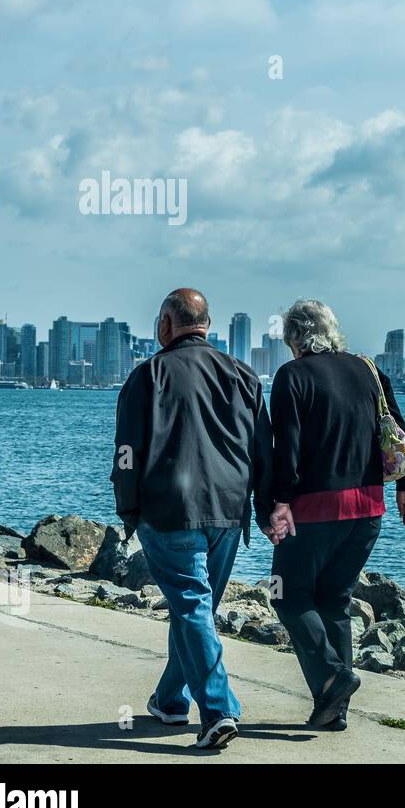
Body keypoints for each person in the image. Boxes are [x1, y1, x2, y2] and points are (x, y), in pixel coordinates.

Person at [111, 288, 277, 749]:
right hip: (228, 511)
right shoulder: (244, 375)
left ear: (167, 322)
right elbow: (263, 452)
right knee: (195, 609)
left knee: (191, 607)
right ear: (207, 324)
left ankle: (219, 711)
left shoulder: (148, 376)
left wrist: (128, 510)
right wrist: (265, 510)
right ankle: (169, 701)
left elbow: (126, 453)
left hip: (170, 510)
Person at [265, 298, 405, 730]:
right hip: (368, 509)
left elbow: (287, 451)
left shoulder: (292, 376)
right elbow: (397, 429)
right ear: (332, 331)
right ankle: (335, 711)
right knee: (334, 600)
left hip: (314, 509)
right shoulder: (367, 369)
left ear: (294, 337)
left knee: (285, 594)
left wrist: (279, 504)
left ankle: (333, 677)